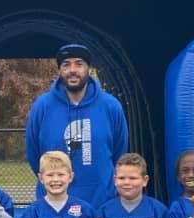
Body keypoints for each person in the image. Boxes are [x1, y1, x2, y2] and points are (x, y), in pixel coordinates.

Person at [25, 42, 128, 207]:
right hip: (54, 205)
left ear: (88, 68)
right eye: (66, 64)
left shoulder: (110, 106)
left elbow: (119, 152)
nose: (73, 69)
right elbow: (33, 153)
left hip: (102, 203)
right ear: (59, 71)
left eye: (79, 64)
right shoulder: (42, 105)